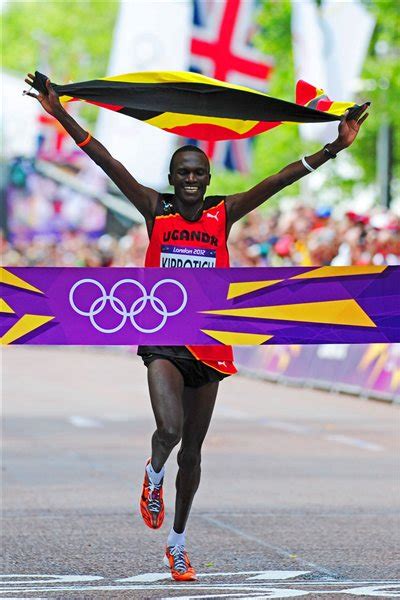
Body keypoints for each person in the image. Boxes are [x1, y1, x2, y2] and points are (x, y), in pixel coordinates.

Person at [24, 73, 369, 581]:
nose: (190, 179)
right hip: (162, 337)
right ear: (172, 176)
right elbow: (107, 162)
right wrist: (60, 113)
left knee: (195, 450)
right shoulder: (154, 209)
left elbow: (277, 180)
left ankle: (178, 542)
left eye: (198, 173)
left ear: (207, 179)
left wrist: (334, 148)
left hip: (209, 343)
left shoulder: (222, 214)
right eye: (182, 171)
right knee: (169, 430)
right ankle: (151, 472)